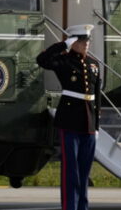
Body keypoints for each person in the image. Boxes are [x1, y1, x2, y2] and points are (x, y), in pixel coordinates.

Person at [36, 24, 102, 210]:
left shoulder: (93, 64)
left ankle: (83, 207)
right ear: (73, 42)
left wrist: (96, 125)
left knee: (84, 171)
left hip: (88, 122)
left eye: (87, 41)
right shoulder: (64, 62)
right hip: (70, 120)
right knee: (71, 172)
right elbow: (42, 60)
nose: (86, 44)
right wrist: (63, 45)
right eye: (81, 41)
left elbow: (97, 97)